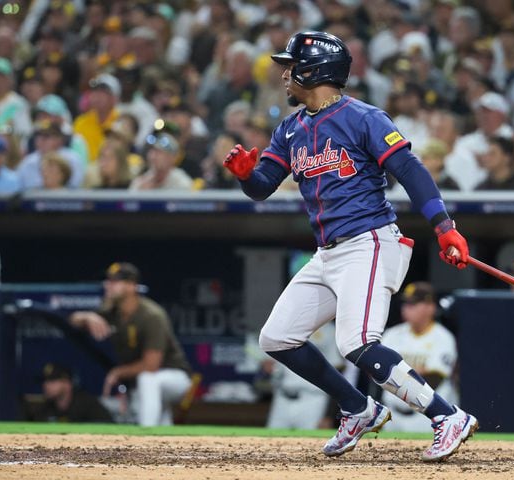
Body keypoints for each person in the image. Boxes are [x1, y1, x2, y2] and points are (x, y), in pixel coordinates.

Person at [222, 31, 477, 462]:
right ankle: (357, 408)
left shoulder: (364, 117)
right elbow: (263, 187)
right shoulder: (291, 128)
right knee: (277, 337)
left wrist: (444, 225)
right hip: (328, 252)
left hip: (370, 241)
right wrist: (248, 175)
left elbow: (410, 170)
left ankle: (446, 415)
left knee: (357, 341)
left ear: (314, 70)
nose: (285, 75)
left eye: (291, 67)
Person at [70, 262, 193, 427]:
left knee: (148, 380)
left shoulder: (151, 315)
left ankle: (145, 437)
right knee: (156, 416)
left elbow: (151, 365)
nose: (108, 285)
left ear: (131, 286)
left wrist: (118, 372)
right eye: (108, 280)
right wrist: (86, 316)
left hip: (175, 377)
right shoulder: (112, 312)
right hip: (142, 384)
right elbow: (73, 321)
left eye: (115, 281)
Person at [380, 282, 458, 433]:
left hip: (426, 418)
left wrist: (395, 374)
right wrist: (415, 373)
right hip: (392, 414)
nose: (407, 308)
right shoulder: (392, 334)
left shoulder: (443, 337)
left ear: (431, 307)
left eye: (413, 304)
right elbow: (375, 370)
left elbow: (434, 379)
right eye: (406, 303)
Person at [25, 363, 113, 423]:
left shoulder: (87, 404)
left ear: (68, 384)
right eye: (45, 381)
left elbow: (108, 426)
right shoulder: (44, 408)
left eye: (52, 380)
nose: (46, 385)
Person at [128, 133, 193, 191]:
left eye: (159, 152)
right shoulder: (141, 182)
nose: (153, 156)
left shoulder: (182, 183)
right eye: (152, 151)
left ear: (172, 157)